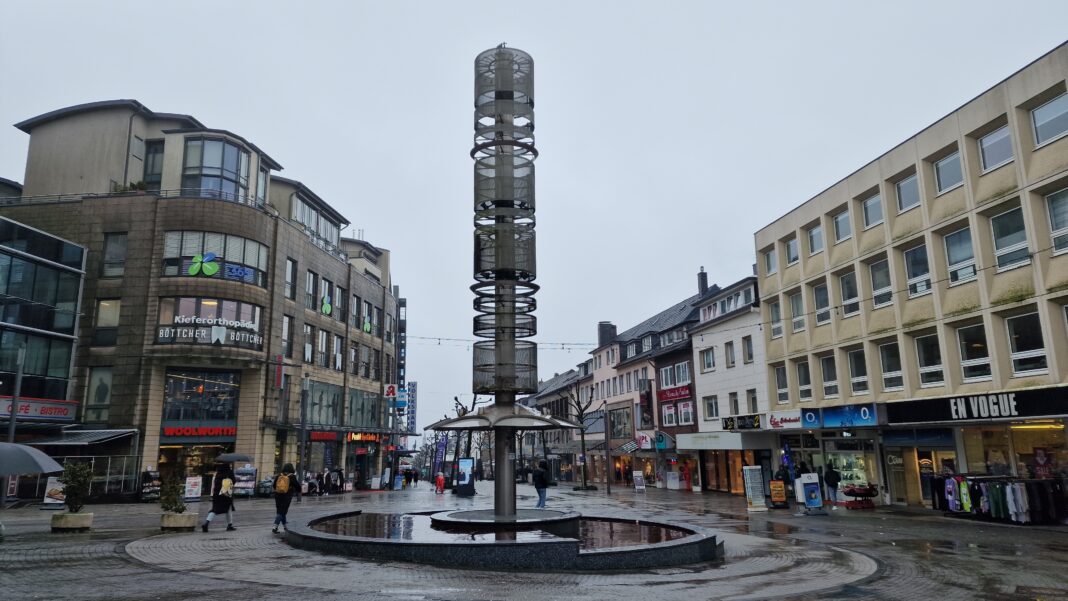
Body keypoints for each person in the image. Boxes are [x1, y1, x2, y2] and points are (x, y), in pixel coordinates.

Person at [202, 464, 236, 532]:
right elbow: (234, 481)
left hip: (216, 494)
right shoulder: (229, 472)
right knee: (228, 508)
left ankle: (206, 523)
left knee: (214, 509)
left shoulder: (218, 472)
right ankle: (229, 525)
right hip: (225, 493)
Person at [272, 463, 300, 533]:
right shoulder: (292, 476)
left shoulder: (279, 475)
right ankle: (275, 526)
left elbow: (274, 485)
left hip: (278, 495)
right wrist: (297, 491)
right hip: (287, 496)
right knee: (282, 512)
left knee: (281, 511)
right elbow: (298, 486)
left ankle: (285, 526)